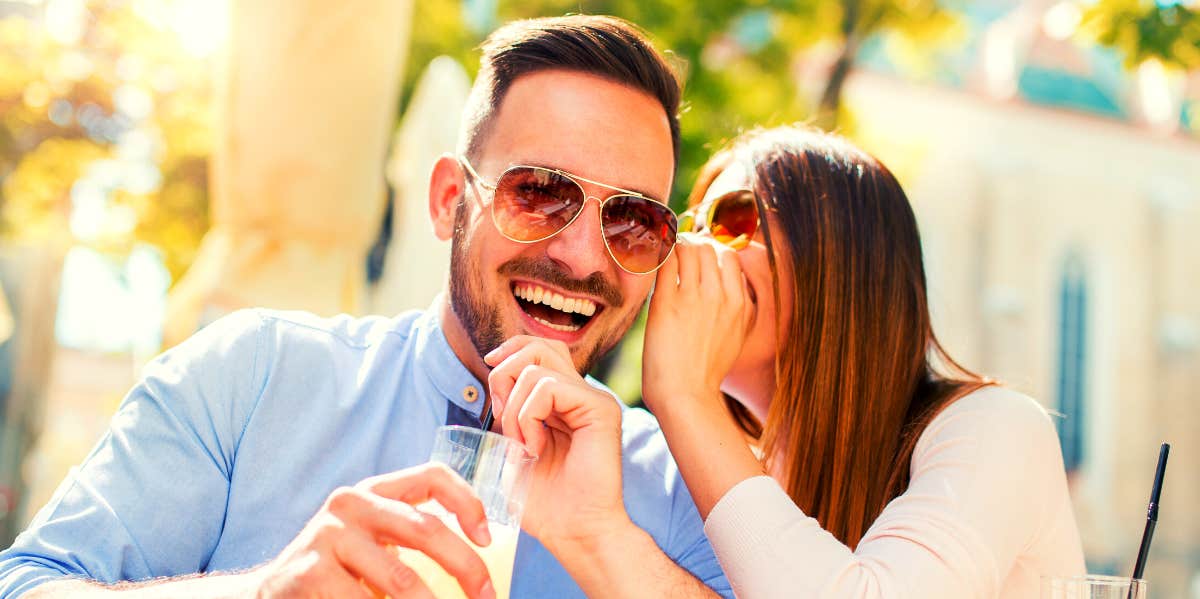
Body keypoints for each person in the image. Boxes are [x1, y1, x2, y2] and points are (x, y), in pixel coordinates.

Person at [0, 16, 732, 599]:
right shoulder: (251, 375)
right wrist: (261, 591)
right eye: (538, 192)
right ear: (450, 201)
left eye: (635, 222)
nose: (581, 257)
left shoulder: (675, 489)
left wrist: (606, 540)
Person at [641, 126, 1086, 598]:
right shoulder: (718, 478)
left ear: (840, 258)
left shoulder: (997, 428)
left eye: (733, 219)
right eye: (691, 229)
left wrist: (684, 396)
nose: (693, 251)